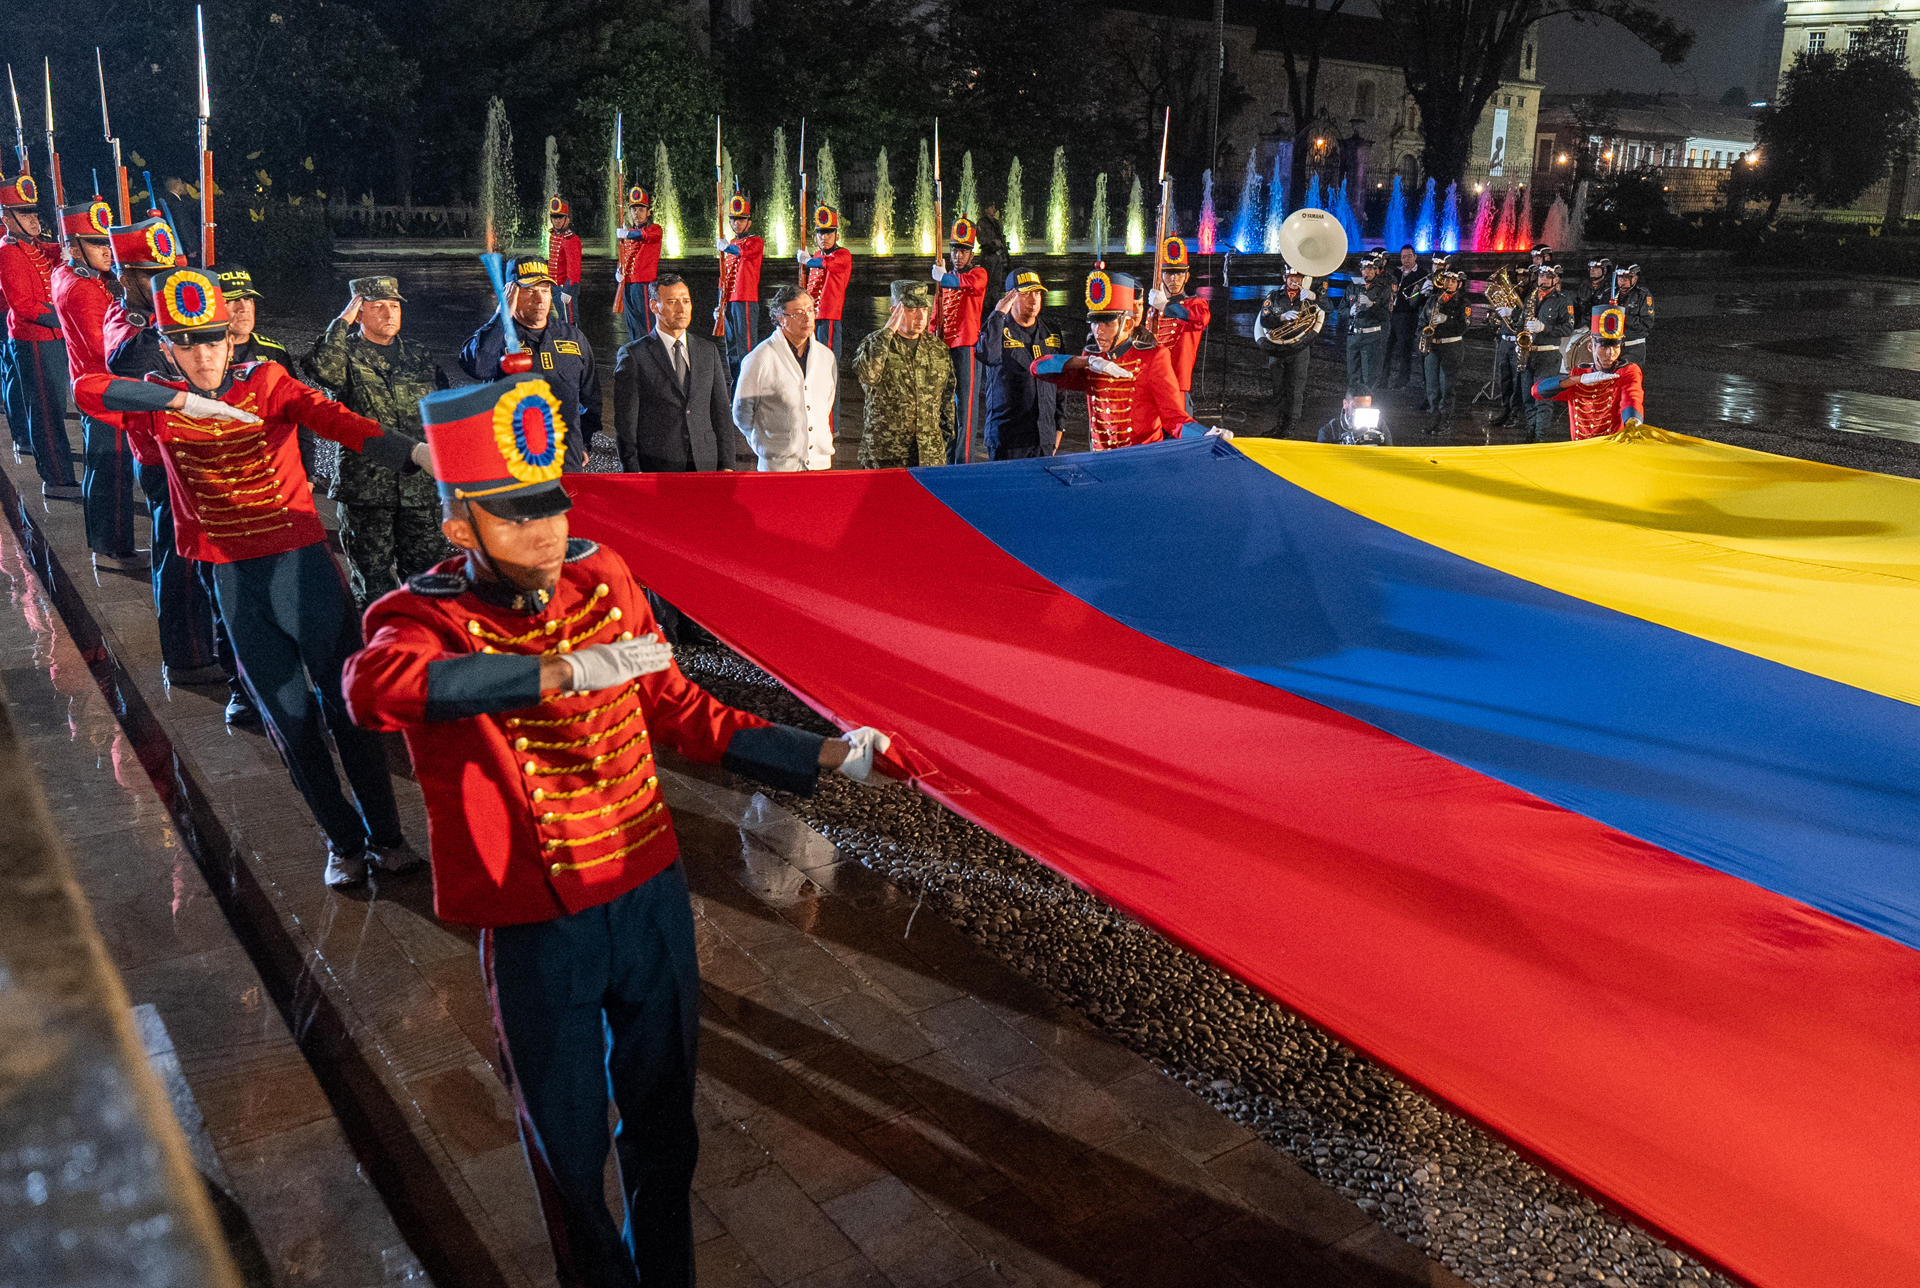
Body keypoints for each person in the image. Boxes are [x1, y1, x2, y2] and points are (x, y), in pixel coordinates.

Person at [341, 371, 893, 1288]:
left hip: (647, 891)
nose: (548, 533)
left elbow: (683, 713)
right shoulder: (423, 618)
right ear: (458, 528)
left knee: (666, 1129)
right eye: (516, 518)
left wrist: (832, 756)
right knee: (566, 1155)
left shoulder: (606, 575)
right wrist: (558, 672)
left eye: (552, 508)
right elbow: (372, 690)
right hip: (539, 921)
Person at [75, 266, 429, 888]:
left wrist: (419, 452)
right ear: (167, 348)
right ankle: (342, 840)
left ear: (232, 340)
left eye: (215, 340)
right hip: (235, 582)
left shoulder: (266, 381)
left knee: (348, 708)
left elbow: (340, 421)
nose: (206, 355)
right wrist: (182, 399)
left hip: (303, 568)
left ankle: (388, 836)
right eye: (189, 344)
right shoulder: (156, 405)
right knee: (289, 722)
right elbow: (86, 389)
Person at [101, 215, 227, 689]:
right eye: (153, 275)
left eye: (169, 272)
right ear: (126, 275)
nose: (164, 283)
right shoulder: (127, 321)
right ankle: (188, 656)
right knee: (179, 557)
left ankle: (206, 641)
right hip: (160, 453)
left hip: (194, 448)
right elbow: (126, 360)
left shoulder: (159, 319)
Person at [305, 275, 454, 607]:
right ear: (359, 313)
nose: (389, 313)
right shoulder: (344, 355)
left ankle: (425, 647)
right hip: (366, 492)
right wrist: (341, 322)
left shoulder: (419, 354)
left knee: (427, 579)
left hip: (419, 490)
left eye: (395, 305)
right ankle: (378, 649)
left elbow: (442, 409)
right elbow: (321, 369)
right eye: (378, 307)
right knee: (373, 582)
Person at [51, 198, 140, 571]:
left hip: (92, 385)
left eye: (108, 241)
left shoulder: (70, 274)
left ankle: (105, 542)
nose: (108, 249)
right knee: (111, 472)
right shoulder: (84, 289)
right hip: (107, 391)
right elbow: (105, 348)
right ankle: (113, 550)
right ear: (74, 247)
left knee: (101, 470)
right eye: (96, 243)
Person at [1033, 269, 1207, 449]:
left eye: (1107, 323)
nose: (1098, 331)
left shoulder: (1153, 357)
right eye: (1094, 322)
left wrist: (1206, 435)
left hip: (1140, 462)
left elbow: (1174, 419)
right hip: (1102, 461)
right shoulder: (1092, 357)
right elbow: (1038, 368)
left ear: (1128, 324)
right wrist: (1087, 362)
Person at [462, 256, 602, 470]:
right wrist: (502, 317)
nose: (540, 299)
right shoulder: (498, 336)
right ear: (511, 294)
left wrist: (582, 442)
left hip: (565, 460)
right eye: (530, 290)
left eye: (545, 290)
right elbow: (479, 367)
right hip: (513, 463)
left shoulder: (571, 336)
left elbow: (590, 396)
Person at [0, 175, 78, 499]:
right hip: (34, 339)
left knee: (54, 407)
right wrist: (66, 317)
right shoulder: (8, 252)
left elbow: (56, 253)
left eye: (34, 211)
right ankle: (57, 477)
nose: (34, 218)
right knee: (46, 410)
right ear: (7, 219)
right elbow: (25, 305)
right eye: (25, 213)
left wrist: (71, 243)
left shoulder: (33, 246)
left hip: (53, 337)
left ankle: (59, 467)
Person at [613, 273, 738, 473]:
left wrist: (727, 465)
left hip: (705, 463)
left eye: (686, 301)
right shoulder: (634, 355)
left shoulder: (708, 350)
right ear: (654, 306)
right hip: (657, 465)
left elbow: (720, 412)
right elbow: (626, 423)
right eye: (672, 302)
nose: (681, 309)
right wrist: (632, 470)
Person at [217, 264, 311, 478]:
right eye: (231, 300)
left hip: (270, 469)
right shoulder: (195, 352)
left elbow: (297, 410)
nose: (244, 308)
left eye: (248, 299)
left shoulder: (274, 352)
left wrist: (307, 470)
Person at [732, 284, 835, 471]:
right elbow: (742, 413)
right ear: (781, 318)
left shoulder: (826, 357)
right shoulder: (760, 358)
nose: (807, 317)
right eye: (798, 313)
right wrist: (766, 442)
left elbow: (827, 402)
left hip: (820, 465)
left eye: (810, 310)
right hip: (779, 466)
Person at [851, 280, 952, 468]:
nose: (920, 316)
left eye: (923, 309)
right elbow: (868, 375)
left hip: (928, 454)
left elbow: (946, 400)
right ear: (894, 311)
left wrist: (942, 440)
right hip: (886, 454)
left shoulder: (937, 349)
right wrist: (888, 330)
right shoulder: (875, 344)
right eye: (911, 310)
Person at [977, 269, 1064, 459]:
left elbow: (1060, 382)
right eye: (1026, 294)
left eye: (1038, 293)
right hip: (1008, 439)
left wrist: (1059, 426)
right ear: (1011, 298)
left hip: (1043, 438)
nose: (1033, 300)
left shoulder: (1051, 333)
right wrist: (999, 313)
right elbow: (986, 355)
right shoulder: (998, 330)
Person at [1532, 305, 1646, 440]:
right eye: (1603, 346)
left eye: (1615, 346)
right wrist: (1576, 380)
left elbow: (1632, 398)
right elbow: (1537, 392)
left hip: (1612, 449)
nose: (1610, 354)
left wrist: (1633, 423)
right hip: (1581, 451)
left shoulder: (1627, 371)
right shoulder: (1580, 372)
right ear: (1591, 346)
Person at [932, 216, 989, 463]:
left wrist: (942, 278)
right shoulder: (945, 277)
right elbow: (938, 310)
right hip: (945, 345)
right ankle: (947, 454)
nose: (958, 256)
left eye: (963, 251)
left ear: (971, 253)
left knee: (965, 405)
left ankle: (963, 459)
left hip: (966, 346)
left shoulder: (978, 273)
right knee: (946, 405)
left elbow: (966, 284)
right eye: (955, 249)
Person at [1146, 236, 1211, 412]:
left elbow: (1201, 319)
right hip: (1152, 384)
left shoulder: (1195, 304)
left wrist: (1165, 306)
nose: (1174, 278)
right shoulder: (1153, 309)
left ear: (1187, 276)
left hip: (1177, 386)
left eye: (1179, 273)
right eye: (1168, 273)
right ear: (1161, 276)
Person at [1254, 267, 1320, 436]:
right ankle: (1280, 424)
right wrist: (1282, 317)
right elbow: (1264, 319)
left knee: (1295, 389)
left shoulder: (1308, 296)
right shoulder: (1274, 296)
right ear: (1285, 277)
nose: (1295, 281)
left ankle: (1290, 428)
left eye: (1298, 277)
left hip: (1299, 350)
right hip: (1277, 350)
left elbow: (1329, 309)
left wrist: (1316, 296)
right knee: (1279, 388)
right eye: (1291, 277)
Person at [1519, 263, 1578, 441]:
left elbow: (1568, 328)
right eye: (1540, 276)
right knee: (1527, 397)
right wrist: (1517, 336)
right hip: (1529, 353)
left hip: (1548, 354)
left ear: (1556, 279)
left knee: (1542, 398)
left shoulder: (1563, 300)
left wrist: (1544, 327)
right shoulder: (1531, 297)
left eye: (1547, 276)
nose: (1542, 279)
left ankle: (1540, 438)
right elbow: (1521, 323)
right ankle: (1530, 433)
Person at [715, 192, 763, 389]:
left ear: (749, 222)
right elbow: (723, 278)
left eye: (741, 220)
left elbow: (743, 253)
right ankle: (736, 388)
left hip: (745, 300)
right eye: (733, 220)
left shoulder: (755, 241)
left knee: (747, 348)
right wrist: (720, 305)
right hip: (730, 301)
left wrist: (727, 248)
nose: (737, 224)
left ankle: (749, 389)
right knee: (731, 349)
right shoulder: (731, 245)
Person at [800, 204, 852, 372]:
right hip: (812, 316)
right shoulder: (816, 255)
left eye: (829, 232)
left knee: (828, 366)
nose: (825, 237)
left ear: (837, 235)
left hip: (829, 316)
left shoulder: (843, 254)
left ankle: (832, 400)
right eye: (821, 233)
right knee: (812, 364)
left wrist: (807, 261)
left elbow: (828, 263)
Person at [1418, 267, 1470, 434]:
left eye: (1452, 281)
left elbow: (1464, 327)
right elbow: (1422, 320)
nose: (1448, 283)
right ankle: (1434, 417)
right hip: (1433, 346)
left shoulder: (1463, 303)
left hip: (1451, 346)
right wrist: (1423, 333)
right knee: (1432, 385)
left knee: (1447, 386)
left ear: (1459, 284)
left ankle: (1445, 421)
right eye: (1446, 280)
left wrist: (1446, 320)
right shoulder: (1434, 299)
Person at [614, 186, 663, 343]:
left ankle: (651, 358)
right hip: (628, 284)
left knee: (646, 325)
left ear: (648, 212)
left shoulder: (654, 229)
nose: (637, 213)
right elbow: (624, 257)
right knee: (632, 325)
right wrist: (618, 271)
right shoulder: (627, 233)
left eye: (641, 209)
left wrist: (628, 234)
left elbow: (644, 235)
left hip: (644, 284)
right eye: (634, 209)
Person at [1344, 252, 1391, 397]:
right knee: (1352, 376)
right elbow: (1341, 310)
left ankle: (1367, 407)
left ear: (1376, 270)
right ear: (1361, 270)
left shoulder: (1383, 288)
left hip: (1371, 337)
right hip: (1354, 336)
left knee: (1369, 378)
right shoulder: (1352, 287)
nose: (1367, 272)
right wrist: (1349, 312)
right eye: (1365, 268)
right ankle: (1352, 407)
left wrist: (1372, 305)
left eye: (1371, 269)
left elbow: (1386, 316)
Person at [1386, 244, 1424, 391]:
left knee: (1404, 349)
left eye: (1409, 256)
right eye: (1403, 257)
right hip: (1392, 314)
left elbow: (1419, 299)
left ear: (1415, 257)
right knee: (1386, 348)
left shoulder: (1421, 274)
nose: (1405, 260)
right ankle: (1383, 379)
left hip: (1407, 316)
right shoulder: (1396, 272)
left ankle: (1402, 380)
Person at [546, 197, 583, 324]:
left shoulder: (571, 239)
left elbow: (574, 268)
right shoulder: (553, 236)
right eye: (554, 217)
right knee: (562, 319)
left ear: (567, 219)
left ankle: (575, 343)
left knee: (570, 321)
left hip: (565, 287)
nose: (556, 221)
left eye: (560, 217)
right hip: (555, 286)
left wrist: (568, 289)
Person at [1616, 263, 1653, 371]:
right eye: (1620, 277)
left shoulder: (1643, 295)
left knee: (1630, 380)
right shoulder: (1611, 294)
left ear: (1635, 278)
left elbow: (1646, 323)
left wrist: (1622, 317)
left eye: (1627, 277)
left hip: (1633, 348)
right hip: (1613, 348)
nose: (1622, 280)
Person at [1316, 393, 1392, 445]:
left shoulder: (1379, 424)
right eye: (1356, 407)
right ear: (1345, 404)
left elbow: (1389, 453)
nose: (1361, 412)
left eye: (1366, 408)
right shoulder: (1330, 430)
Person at [976, 203, 1009, 309]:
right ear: (986, 209)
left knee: (997, 281)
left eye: (995, 207)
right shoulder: (982, 222)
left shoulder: (995, 222)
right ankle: (985, 305)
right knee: (987, 281)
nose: (994, 209)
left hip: (997, 255)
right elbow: (981, 239)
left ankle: (995, 304)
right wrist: (993, 242)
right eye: (991, 207)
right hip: (988, 255)